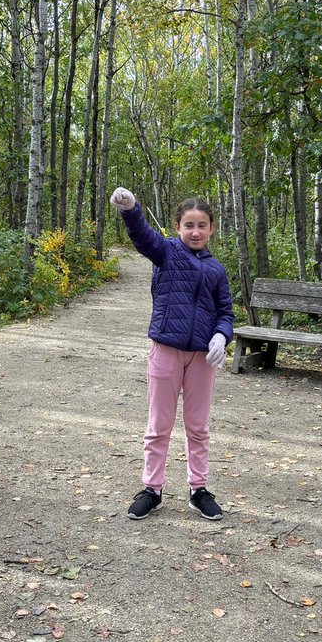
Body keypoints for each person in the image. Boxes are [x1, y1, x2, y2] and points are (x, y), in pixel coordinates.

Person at [110, 188, 233, 521]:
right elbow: (143, 237)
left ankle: (198, 490)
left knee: (197, 428)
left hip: (201, 359)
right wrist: (131, 210)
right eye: (189, 225)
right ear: (177, 226)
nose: (195, 231)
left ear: (211, 229)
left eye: (202, 225)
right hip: (165, 350)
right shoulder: (166, 252)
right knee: (158, 426)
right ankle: (152, 490)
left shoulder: (217, 270)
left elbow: (225, 311)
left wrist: (222, 336)